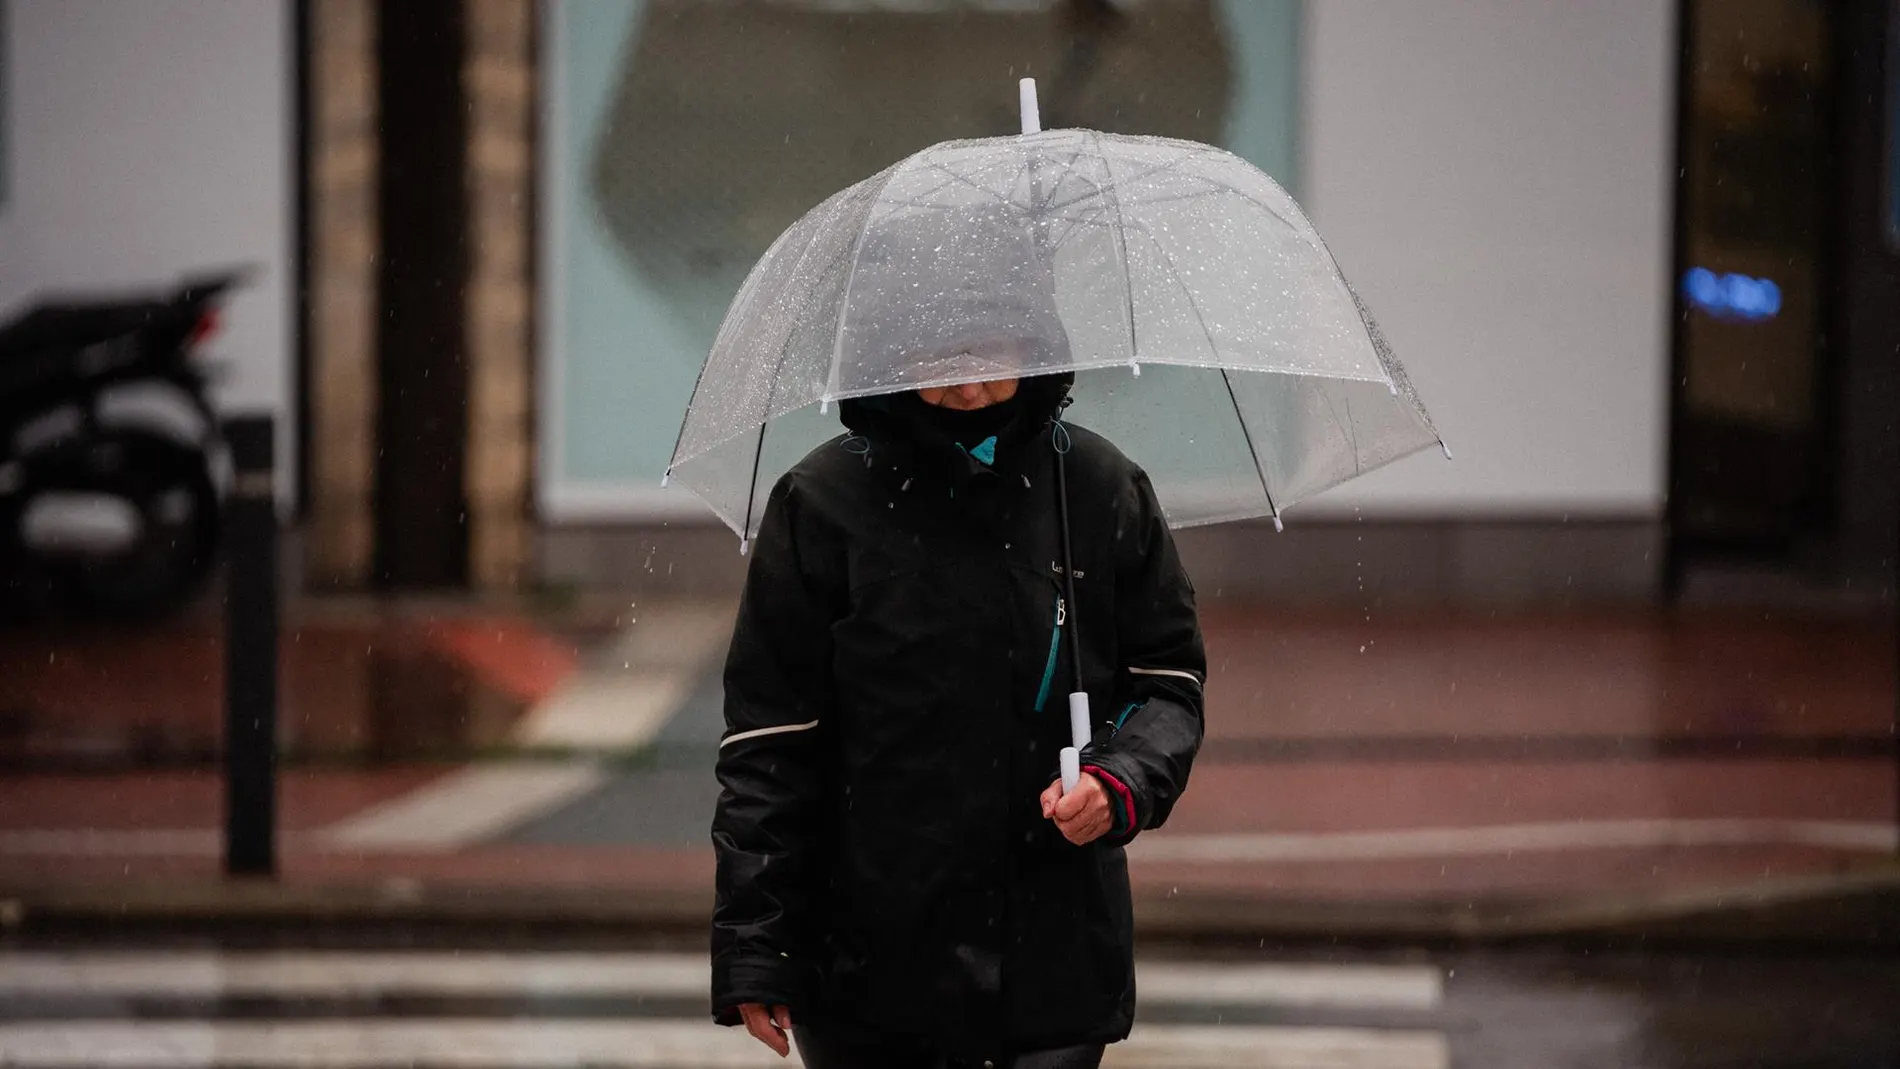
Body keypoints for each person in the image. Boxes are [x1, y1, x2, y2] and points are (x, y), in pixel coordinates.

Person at [709, 328, 1205, 1068]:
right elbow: (771, 744)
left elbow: (1168, 681)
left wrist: (1121, 779)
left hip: (1053, 958)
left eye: (990, 357)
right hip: (866, 965)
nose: (967, 388)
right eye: (937, 356)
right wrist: (759, 947)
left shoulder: (1098, 487)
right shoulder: (820, 504)